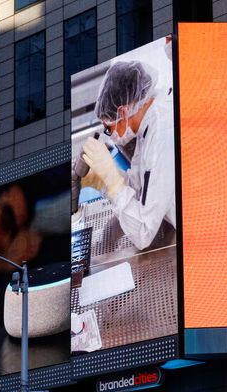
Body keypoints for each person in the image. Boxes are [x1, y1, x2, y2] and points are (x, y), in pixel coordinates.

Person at [80, 59, 176, 250]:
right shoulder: (147, 124)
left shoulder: (162, 133)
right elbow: (140, 190)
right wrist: (103, 181)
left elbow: (143, 233)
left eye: (109, 127)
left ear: (123, 111)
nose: (110, 134)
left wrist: (113, 181)